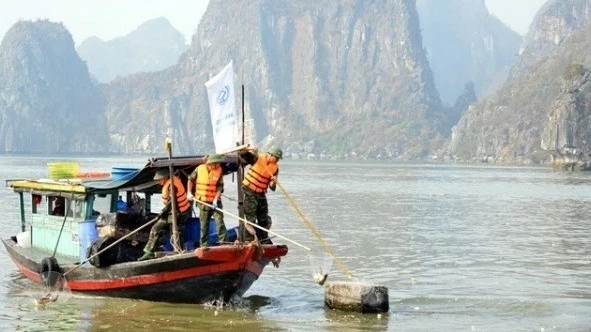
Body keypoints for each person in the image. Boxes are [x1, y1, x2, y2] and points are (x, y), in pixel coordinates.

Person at [138, 169, 191, 261]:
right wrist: (164, 213)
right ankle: (149, 252)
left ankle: (179, 252)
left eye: (159, 179)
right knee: (156, 228)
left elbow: (172, 202)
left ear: (165, 178)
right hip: (171, 213)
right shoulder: (168, 183)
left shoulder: (172, 185)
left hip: (179, 213)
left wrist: (162, 213)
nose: (158, 182)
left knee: (175, 233)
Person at [239, 146, 282, 243]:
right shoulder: (257, 158)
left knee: (264, 217)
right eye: (277, 158)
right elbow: (243, 154)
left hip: (261, 193)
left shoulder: (275, 169)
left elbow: (272, 188)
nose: (277, 160)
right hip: (249, 190)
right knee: (251, 216)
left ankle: (263, 238)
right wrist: (248, 150)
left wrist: (274, 182)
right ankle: (249, 240)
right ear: (270, 155)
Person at [187, 153, 227, 248]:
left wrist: (215, 200)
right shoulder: (199, 169)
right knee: (204, 225)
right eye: (216, 163)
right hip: (203, 202)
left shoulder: (219, 171)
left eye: (218, 163)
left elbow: (220, 187)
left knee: (219, 221)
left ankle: (224, 242)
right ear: (210, 163)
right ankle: (204, 245)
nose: (218, 165)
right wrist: (189, 192)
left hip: (215, 202)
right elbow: (190, 180)